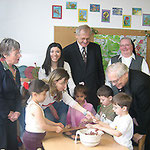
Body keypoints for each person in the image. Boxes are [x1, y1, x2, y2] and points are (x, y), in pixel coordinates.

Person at [106, 62, 150, 150]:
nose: (114, 84)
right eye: (111, 82)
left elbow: (146, 110)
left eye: (115, 81)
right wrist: (133, 117)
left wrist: (142, 132)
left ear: (125, 74)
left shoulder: (140, 84)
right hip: (138, 112)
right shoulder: (122, 81)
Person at [63, 24, 105, 110]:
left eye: (87, 38)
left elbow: (100, 70)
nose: (85, 41)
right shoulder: (67, 51)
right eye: (83, 38)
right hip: (76, 93)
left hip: (93, 91)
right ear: (76, 36)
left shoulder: (96, 48)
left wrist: (101, 90)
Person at [38, 42, 75, 126]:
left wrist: (74, 96)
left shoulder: (65, 65)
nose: (55, 54)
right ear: (48, 53)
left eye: (57, 51)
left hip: (61, 99)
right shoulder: (43, 68)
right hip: (47, 102)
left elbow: (70, 82)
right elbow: (42, 89)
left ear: (61, 53)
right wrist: (51, 107)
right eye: (52, 51)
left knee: (62, 123)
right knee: (50, 123)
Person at [22, 79, 64, 150]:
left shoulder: (35, 105)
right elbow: (43, 126)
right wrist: (55, 129)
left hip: (34, 137)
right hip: (32, 138)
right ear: (34, 94)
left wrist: (55, 124)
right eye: (44, 94)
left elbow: (42, 119)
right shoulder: (35, 107)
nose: (45, 97)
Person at [0, 38, 22, 150]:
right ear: (5, 54)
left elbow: (18, 93)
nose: (20, 55)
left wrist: (17, 111)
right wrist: (8, 113)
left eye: (19, 52)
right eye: (16, 53)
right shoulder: (1, 69)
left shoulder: (16, 70)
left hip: (13, 115)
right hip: (2, 114)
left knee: (12, 145)